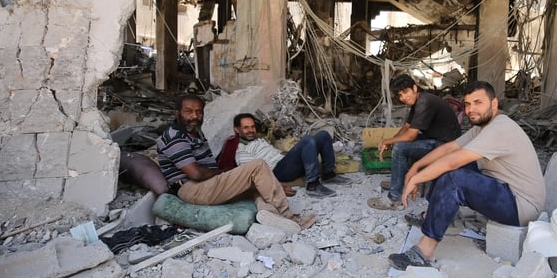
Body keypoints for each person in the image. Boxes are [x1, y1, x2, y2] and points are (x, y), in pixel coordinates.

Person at [388, 81, 545, 270]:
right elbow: (450, 148)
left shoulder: (501, 128)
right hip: (504, 190)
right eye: (468, 104)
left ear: (494, 103)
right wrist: (418, 166)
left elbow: (453, 162)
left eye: (478, 102)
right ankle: (430, 214)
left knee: (454, 177)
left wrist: (416, 178)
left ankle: (424, 252)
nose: (471, 109)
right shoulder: (483, 126)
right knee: (449, 162)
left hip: (521, 206)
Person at [156, 95, 316, 232]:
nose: (194, 116)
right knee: (257, 165)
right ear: (177, 113)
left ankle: (269, 214)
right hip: (190, 188)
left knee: (254, 185)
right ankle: (290, 216)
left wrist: (275, 185)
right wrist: (226, 173)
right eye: (188, 111)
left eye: (199, 112)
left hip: (205, 185)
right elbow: (195, 174)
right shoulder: (174, 137)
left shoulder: (195, 132)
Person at [367, 74, 462, 211]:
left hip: (446, 146)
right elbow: (406, 127)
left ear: (414, 88)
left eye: (405, 92)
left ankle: (393, 198)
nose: (403, 97)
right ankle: (397, 183)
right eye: (400, 95)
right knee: (399, 144)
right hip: (436, 139)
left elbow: (411, 136)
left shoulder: (425, 102)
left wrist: (388, 140)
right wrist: (389, 142)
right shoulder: (418, 101)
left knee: (401, 148)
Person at [218, 113, 350, 198]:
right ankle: (313, 185)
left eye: (252, 127)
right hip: (278, 171)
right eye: (246, 128)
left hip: (284, 160)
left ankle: (329, 174)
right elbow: (252, 175)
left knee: (323, 135)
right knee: (307, 140)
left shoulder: (257, 140)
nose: (251, 130)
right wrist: (277, 187)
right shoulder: (242, 151)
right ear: (237, 129)